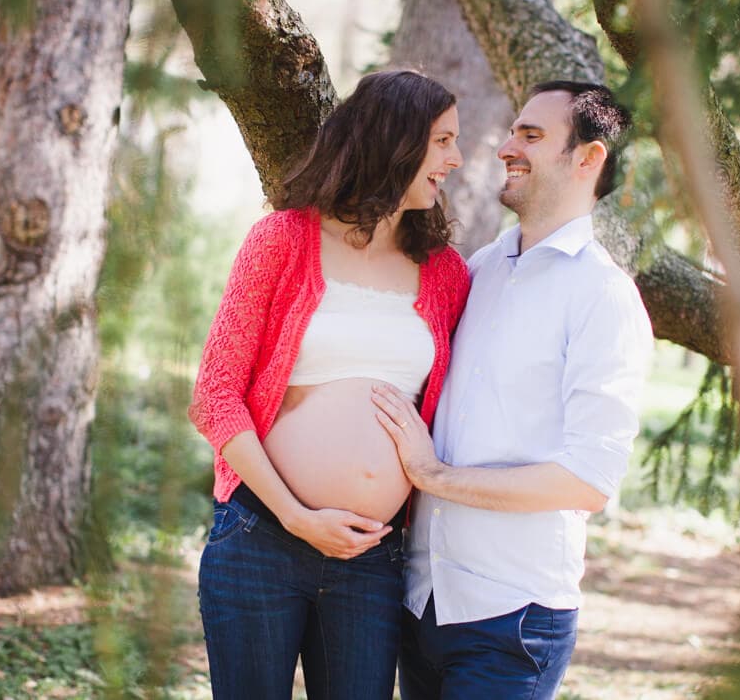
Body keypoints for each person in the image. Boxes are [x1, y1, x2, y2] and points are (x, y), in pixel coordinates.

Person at [189, 70, 469, 700]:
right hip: (262, 535)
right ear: (395, 139)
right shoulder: (283, 239)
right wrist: (295, 516)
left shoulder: (445, 272)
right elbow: (215, 395)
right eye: (443, 140)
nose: (455, 159)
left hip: (371, 557)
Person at [373, 81, 654, 700]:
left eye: (531, 135)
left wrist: (433, 476)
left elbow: (588, 479)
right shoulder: (479, 270)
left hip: (512, 617)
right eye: (511, 132)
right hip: (422, 600)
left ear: (588, 158)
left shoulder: (603, 297)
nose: (505, 148)